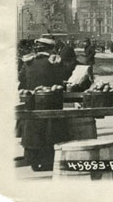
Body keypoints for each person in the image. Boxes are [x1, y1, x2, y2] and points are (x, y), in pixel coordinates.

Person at [18, 37, 69, 171]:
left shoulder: (28, 61)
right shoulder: (54, 62)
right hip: (50, 101)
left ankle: (33, 160)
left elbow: (21, 78)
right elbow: (63, 76)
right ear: (50, 49)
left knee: (33, 129)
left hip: (32, 101)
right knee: (49, 130)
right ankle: (48, 161)